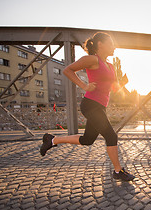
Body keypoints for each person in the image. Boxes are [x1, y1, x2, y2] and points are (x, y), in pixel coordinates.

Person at [40, 32, 134, 182]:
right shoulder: (92, 59)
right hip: (91, 104)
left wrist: (123, 83)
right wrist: (84, 85)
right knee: (111, 135)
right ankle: (118, 171)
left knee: (88, 139)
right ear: (100, 45)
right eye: (111, 43)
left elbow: (113, 89)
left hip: (101, 106)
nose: (114, 46)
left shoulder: (110, 65)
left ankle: (52, 140)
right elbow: (67, 70)